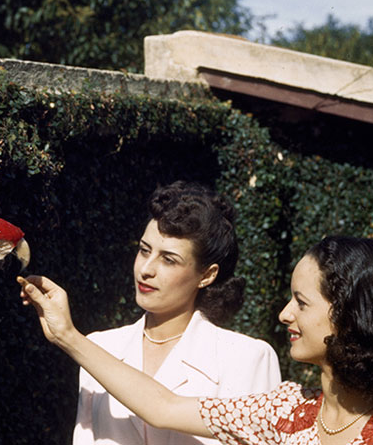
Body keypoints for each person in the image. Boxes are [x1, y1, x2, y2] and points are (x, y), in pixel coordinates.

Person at [19, 235, 373, 445]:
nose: (284, 313)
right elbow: (163, 407)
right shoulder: (285, 410)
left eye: (302, 303)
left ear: (351, 317)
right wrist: (67, 336)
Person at [73, 181, 280, 445]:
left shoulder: (247, 358)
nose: (146, 269)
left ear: (206, 275)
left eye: (169, 260)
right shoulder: (100, 346)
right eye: (144, 250)